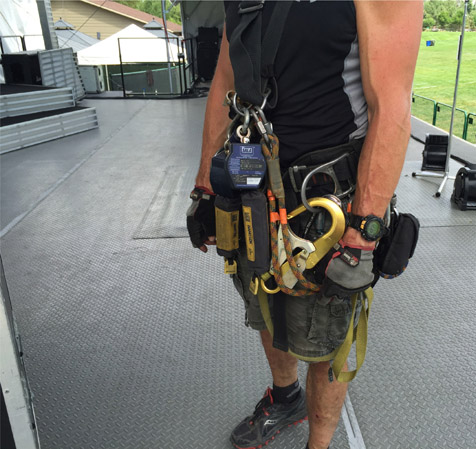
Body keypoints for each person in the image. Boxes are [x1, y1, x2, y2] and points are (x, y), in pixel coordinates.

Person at [188, 2, 422, 448]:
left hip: (328, 197)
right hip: (250, 184)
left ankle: (320, 441)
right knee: (262, 298)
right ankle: (285, 397)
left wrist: (364, 229)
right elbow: (226, 78)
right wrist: (205, 186)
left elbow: (391, 104)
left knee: (328, 330)